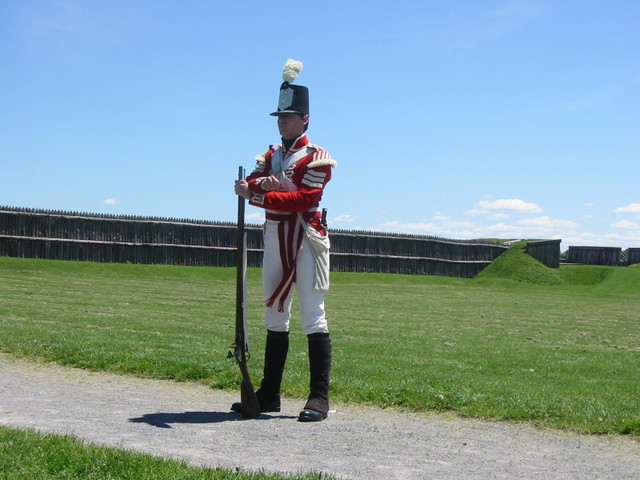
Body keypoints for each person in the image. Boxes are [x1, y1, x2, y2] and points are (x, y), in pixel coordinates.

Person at [233, 59, 337, 422]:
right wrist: (259, 188)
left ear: (305, 119)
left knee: (313, 316)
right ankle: (270, 393)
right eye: (279, 116)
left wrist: (259, 194)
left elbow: (306, 200)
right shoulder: (270, 156)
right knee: (274, 315)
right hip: (276, 234)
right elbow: (255, 183)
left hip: (306, 239)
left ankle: (319, 397)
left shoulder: (317, 158)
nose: (282, 121)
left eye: (289, 116)